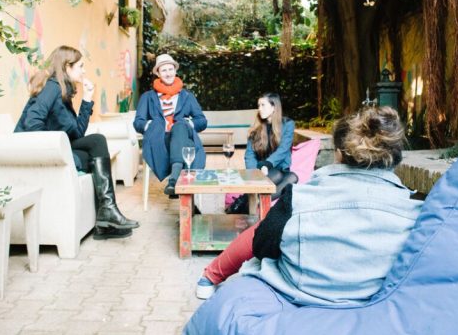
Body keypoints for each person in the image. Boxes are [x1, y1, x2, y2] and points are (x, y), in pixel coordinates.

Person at [196, 106, 422, 302]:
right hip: (374, 302)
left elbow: (259, 242)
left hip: (301, 299)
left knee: (264, 243)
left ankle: (210, 275)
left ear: (339, 154)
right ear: (396, 159)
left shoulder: (299, 200)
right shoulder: (415, 211)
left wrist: (210, 276)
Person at [15, 45, 138, 240]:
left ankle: (107, 214)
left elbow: (78, 133)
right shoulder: (51, 88)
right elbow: (32, 123)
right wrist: (56, 150)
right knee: (92, 152)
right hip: (40, 153)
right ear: (67, 67)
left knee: (96, 142)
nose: (84, 70)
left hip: (56, 148)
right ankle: (106, 216)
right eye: (80, 66)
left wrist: (87, 99)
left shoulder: (63, 92)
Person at [134, 53, 208, 196]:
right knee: (185, 143)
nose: (168, 73)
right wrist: (152, 125)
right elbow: (138, 122)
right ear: (158, 74)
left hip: (181, 137)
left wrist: (189, 123)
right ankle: (184, 189)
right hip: (160, 141)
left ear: (175, 71)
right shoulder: (147, 97)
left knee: (179, 126)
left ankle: (173, 181)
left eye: (170, 69)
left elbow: (202, 121)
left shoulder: (187, 96)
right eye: (164, 70)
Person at [225, 93, 298, 214]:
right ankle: (249, 201)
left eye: (263, 105)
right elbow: (249, 154)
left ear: (274, 107)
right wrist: (253, 173)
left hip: (278, 168)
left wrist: (267, 164)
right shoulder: (256, 127)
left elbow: (283, 149)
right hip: (260, 172)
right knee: (277, 176)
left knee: (292, 177)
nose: (259, 108)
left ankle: (247, 202)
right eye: (259, 105)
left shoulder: (288, 124)